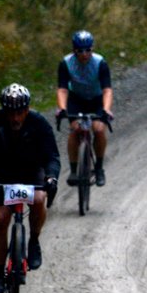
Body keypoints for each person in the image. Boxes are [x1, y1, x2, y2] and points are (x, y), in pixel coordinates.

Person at [0, 83, 60, 293]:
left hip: (31, 173)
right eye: (11, 112)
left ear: (27, 109)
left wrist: (51, 176)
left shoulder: (39, 124)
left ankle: (34, 241)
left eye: (20, 112)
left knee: (40, 198)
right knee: (1, 218)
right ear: (4, 110)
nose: (15, 118)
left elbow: (52, 156)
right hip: (1, 176)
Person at [56, 30, 113, 187]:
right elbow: (62, 89)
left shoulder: (100, 63)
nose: (84, 54)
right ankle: (74, 170)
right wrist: (62, 108)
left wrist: (106, 110)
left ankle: (99, 168)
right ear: (74, 50)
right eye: (80, 51)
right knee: (75, 129)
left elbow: (107, 89)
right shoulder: (66, 63)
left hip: (96, 99)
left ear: (92, 49)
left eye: (88, 50)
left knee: (99, 129)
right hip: (76, 99)